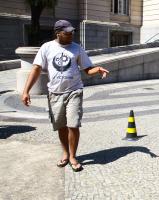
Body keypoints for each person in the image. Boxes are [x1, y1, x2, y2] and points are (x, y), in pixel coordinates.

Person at [21, 20, 109, 172]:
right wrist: (26, 91)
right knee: (61, 126)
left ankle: (73, 156)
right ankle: (65, 153)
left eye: (72, 32)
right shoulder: (47, 47)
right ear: (58, 34)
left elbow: (87, 69)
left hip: (74, 91)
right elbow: (36, 69)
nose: (71, 35)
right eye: (67, 33)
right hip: (55, 93)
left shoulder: (77, 48)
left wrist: (98, 69)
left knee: (73, 124)